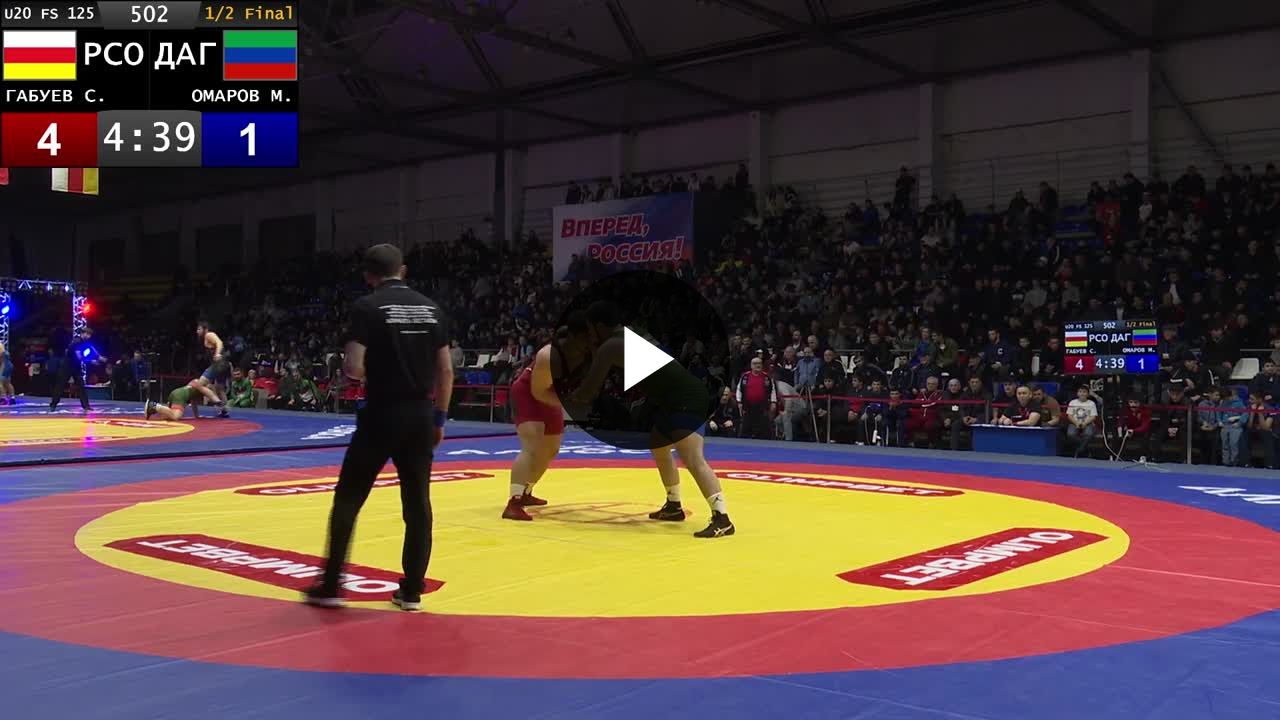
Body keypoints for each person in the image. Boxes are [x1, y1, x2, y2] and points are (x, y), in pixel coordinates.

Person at [305, 244, 453, 611]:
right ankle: (412, 591)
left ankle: (331, 584)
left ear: (368, 275)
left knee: (349, 497)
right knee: (417, 503)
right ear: (403, 270)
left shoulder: (367, 307)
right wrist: (439, 418)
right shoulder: (432, 309)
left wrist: (376, 369)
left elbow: (354, 367)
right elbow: (446, 370)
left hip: (382, 411)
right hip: (420, 415)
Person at [568, 300, 734, 538]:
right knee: (659, 443)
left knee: (693, 458)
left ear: (599, 326)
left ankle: (722, 518)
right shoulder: (626, 336)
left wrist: (561, 396)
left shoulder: (612, 345)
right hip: (672, 398)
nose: (589, 335)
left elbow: (589, 390)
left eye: (589, 329)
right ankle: (673, 505)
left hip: (684, 397)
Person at [503, 315, 592, 521]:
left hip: (552, 393)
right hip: (529, 393)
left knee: (551, 449)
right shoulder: (548, 356)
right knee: (532, 446)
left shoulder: (589, 353)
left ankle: (526, 491)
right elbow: (539, 392)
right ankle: (513, 503)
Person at [49, 328, 96, 412]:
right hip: (67, 366)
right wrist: (91, 361)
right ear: (83, 333)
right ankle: (53, 404)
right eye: (88, 334)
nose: (89, 337)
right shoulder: (77, 342)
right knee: (60, 385)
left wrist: (97, 357)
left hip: (76, 366)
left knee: (81, 386)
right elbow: (79, 357)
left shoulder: (83, 342)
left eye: (90, 335)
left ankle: (86, 406)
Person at [193, 320, 230, 417]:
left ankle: (217, 401)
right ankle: (225, 410)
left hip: (219, 364)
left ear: (205, 329)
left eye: (199, 329)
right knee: (220, 388)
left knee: (200, 384)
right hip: (223, 364)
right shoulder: (205, 339)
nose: (197, 331)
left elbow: (219, 342)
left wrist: (217, 353)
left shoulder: (209, 335)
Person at [1064, 385, 1098, 457]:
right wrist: (1076, 423)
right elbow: (1069, 415)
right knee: (1070, 434)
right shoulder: (1072, 402)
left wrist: (1085, 423)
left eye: (1084, 392)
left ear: (1088, 394)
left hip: (1088, 423)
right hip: (1074, 423)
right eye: (1080, 392)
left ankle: (1080, 450)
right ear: (1077, 393)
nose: (1082, 394)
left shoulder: (1091, 403)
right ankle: (1084, 448)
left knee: (1088, 434)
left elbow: (1093, 416)